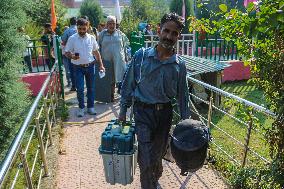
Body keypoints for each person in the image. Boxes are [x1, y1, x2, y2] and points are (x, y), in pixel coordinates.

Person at [118, 12, 190, 189]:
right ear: (159, 30)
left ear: (178, 36)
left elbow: (183, 95)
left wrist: (186, 122)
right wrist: (122, 111)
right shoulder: (141, 57)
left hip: (165, 115)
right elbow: (128, 85)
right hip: (143, 113)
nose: (169, 36)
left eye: (174, 33)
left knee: (158, 155)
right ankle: (149, 185)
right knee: (146, 158)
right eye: (166, 31)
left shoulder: (179, 65)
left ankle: (153, 180)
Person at [65, 18, 105, 117]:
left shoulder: (91, 38)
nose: (82, 31)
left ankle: (91, 107)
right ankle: (81, 108)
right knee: (80, 88)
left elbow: (96, 52)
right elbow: (66, 52)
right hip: (77, 67)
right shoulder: (72, 38)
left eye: (84, 28)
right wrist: (72, 56)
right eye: (80, 29)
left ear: (87, 27)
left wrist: (101, 65)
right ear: (77, 27)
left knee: (91, 88)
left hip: (91, 66)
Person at [98, 15, 129, 101]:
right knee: (109, 78)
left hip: (119, 60)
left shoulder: (121, 34)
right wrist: (98, 60)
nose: (112, 25)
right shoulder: (102, 35)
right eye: (110, 23)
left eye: (113, 24)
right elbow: (98, 47)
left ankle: (121, 94)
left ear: (116, 24)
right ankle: (110, 95)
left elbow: (125, 47)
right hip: (106, 61)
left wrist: (126, 58)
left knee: (119, 77)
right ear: (106, 24)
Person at [61, 17, 77, 90]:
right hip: (79, 52)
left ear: (70, 23)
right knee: (80, 69)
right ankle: (80, 85)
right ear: (76, 22)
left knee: (71, 69)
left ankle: (73, 85)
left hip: (70, 53)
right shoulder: (80, 29)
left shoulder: (67, 31)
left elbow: (63, 41)